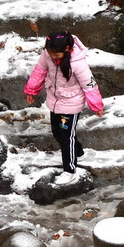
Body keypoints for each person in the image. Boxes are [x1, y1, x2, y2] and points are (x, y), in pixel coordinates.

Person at [24, 31, 104, 185]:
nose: (53, 56)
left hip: (71, 103)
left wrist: (96, 105)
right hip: (55, 100)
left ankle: (70, 169)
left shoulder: (77, 63)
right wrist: (32, 90)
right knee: (57, 132)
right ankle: (78, 151)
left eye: (57, 55)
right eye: (50, 53)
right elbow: (39, 71)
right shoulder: (47, 55)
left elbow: (89, 85)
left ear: (67, 49)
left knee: (67, 136)